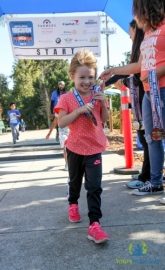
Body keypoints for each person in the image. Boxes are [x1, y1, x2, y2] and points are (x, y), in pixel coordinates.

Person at [100, 0, 165, 197]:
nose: (135, 16)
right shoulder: (148, 33)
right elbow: (139, 65)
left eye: (137, 11)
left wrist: (157, 73)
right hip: (149, 93)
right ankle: (155, 182)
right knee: (153, 137)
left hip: (162, 89)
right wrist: (113, 71)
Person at [55, 49, 110, 244]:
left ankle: (94, 224)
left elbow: (103, 120)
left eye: (91, 77)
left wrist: (105, 105)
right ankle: (73, 204)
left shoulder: (97, 94)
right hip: (75, 148)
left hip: (94, 147)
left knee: (94, 186)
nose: (87, 82)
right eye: (82, 77)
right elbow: (61, 123)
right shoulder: (66, 98)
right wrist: (78, 110)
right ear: (72, 76)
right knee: (75, 181)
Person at [105, 19, 151, 189]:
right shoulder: (140, 47)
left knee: (149, 141)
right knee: (147, 140)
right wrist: (110, 79)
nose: (129, 35)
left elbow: (137, 72)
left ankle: (148, 177)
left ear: (136, 29)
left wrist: (117, 79)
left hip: (146, 98)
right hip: (141, 101)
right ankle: (148, 175)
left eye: (130, 31)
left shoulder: (144, 45)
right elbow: (135, 72)